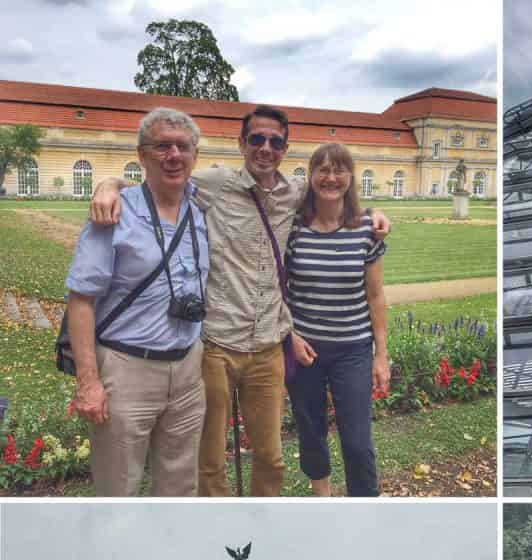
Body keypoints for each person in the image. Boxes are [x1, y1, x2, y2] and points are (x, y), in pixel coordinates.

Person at [90, 104, 391, 496]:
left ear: (285, 148)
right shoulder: (215, 184)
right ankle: (220, 528)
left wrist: (375, 213)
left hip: (267, 347)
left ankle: (259, 526)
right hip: (217, 344)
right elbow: (162, 180)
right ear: (242, 143)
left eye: (275, 141)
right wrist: (110, 184)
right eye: (257, 139)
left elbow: (335, 193)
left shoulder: (294, 193)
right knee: (210, 459)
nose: (266, 148)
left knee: (271, 458)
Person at [66, 107, 208, 496]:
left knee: (180, 486)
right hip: (127, 370)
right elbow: (80, 299)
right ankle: (118, 557)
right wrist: (89, 382)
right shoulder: (114, 213)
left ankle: (170, 556)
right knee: (119, 488)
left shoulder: (199, 209)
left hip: (187, 370)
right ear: (142, 155)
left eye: (182, 147)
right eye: (162, 146)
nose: (174, 155)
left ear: (195, 155)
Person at [284, 143, 389, 496]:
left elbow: (375, 295)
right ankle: (323, 500)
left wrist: (381, 355)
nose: (331, 178)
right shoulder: (294, 228)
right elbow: (280, 291)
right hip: (305, 350)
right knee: (311, 432)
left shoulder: (366, 228)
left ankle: (364, 505)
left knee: (358, 441)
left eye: (339, 170)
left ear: (350, 177)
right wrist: (291, 336)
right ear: (311, 176)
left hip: (352, 350)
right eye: (323, 170)